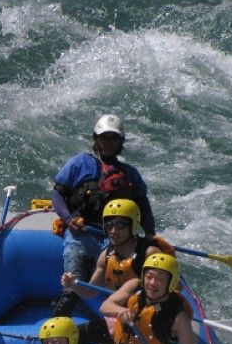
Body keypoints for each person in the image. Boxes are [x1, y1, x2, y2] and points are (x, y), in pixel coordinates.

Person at [51, 114, 156, 316]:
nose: (109, 143)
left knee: (130, 282)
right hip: (81, 232)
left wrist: (150, 234)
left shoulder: (130, 174)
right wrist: (68, 219)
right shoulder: (79, 163)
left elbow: (143, 204)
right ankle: (64, 310)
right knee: (72, 275)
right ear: (96, 139)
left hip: (115, 238)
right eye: (104, 137)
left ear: (121, 142)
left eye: (114, 138)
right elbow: (58, 194)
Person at [100, 253, 199, 344]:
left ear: (171, 282)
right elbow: (105, 306)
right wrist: (121, 310)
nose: (152, 283)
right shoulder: (134, 285)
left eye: (160, 279)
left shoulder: (179, 317)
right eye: (149, 276)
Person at [61, 199, 173, 295]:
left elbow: (164, 294)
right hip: (124, 309)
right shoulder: (106, 255)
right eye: (109, 225)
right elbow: (91, 292)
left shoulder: (150, 253)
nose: (113, 231)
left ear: (133, 226)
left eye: (121, 225)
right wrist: (73, 285)